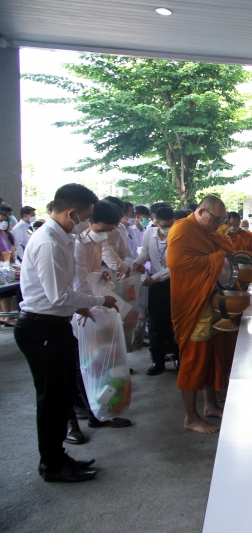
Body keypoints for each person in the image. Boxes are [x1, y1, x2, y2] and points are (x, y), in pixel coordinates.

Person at [15, 183, 118, 482]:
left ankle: (58, 456)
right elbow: (58, 297)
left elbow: (62, 295)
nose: (86, 224)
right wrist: (98, 300)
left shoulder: (61, 238)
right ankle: (51, 464)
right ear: (72, 213)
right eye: (85, 217)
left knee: (61, 396)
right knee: (51, 399)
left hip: (53, 324)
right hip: (40, 327)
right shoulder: (48, 241)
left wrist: (79, 306)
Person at [167, 195, 233, 434]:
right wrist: (217, 259)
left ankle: (209, 405)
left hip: (209, 300)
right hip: (192, 304)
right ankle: (190, 417)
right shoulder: (183, 229)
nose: (218, 224)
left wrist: (219, 248)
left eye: (221, 220)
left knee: (211, 353)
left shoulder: (204, 230)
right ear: (202, 212)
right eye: (216, 219)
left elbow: (222, 244)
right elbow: (177, 262)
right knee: (194, 359)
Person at [70, 200, 133, 443]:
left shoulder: (99, 241)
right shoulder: (76, 245)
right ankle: (85, 413)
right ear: (88, 222)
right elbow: (77, 283)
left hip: (95, 306)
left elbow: (91, 271)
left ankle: (101, 409)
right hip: (81, 310)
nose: (105, 234)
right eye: (102, 229)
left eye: (110, 229)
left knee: (100, 362)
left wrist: (101, 274)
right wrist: (97, 300)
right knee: (82, 364)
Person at [134, 206, 178, 376]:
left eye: (170, 225)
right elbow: (145, 253)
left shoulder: (177, 236)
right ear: (155, 220)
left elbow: (176, 265)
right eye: (164, 225)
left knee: (174, 323)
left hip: (173, 283)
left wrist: (156, 277)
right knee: (155, 325)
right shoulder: (149, 234)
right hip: (155, 287)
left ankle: (178, 358)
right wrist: (138, 263)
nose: (167, 228)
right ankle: (157, 361)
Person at [99, 196, 132, 276]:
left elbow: (124, 254)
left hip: (115, 276)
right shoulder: (85, 235)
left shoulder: (119, 230)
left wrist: (133, 264)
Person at [0, 212, 17, 326]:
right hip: (2, 266)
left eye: (5, 220)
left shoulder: (9, 235)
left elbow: (13, 249)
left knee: (9, 290)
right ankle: (6, 316)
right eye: (1, 220)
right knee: (4, 292)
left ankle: (6, 315)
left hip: (8, 265)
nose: (3, 223)